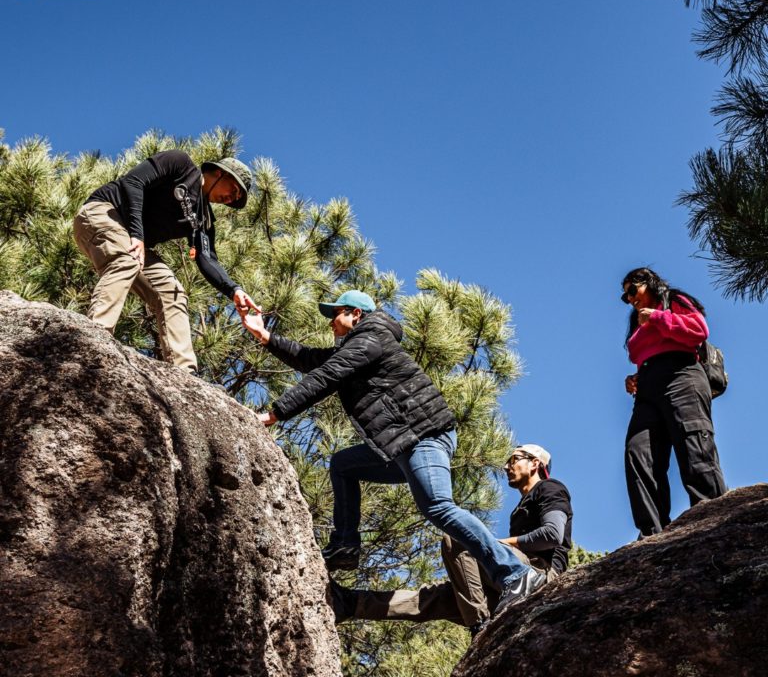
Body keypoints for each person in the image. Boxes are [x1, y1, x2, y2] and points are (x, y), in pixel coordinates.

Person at [241, 290, 545, 607]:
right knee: (344, 464)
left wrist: (273, 414)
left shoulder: (372, 336)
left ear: (355, 314)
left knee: (439, 507)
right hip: (401, 444)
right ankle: (345, 544)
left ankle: (515, 574)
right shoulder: (357, 346)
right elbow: (311, 360)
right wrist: (265, 336)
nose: (331, 322)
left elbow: (328, 374)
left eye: (336, 314)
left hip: (422, 437)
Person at [330, 444, 572, 633]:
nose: (507, 466)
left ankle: (480, 625)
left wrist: (497, 544)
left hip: (540, 575)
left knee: (459, 539)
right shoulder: (521, 505)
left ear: (535, 463)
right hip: (509, 582)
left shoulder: (550, 488)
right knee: (431, 600)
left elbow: (552, 535)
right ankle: (350, 603)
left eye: (513, 460)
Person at [74, 150, 257, 373]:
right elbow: (132, 181)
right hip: (103, 213)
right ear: (220, 173)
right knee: (128, 260)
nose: (232, 199)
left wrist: (234, 290)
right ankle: (95, 336)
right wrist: (137, 234)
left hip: (133, 241)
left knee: (173, 292)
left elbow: (207, 258)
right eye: (234, 190)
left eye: (236, 198)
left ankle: (185, 373)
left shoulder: (203, 219)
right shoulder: (180, 165)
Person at [621, 267, 727, 538]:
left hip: (682, 376)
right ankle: (652, 532)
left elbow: (698, 330)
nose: (630, 299)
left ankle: (713, 514)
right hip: (647, 386)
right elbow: (645, 353)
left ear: (649, 282)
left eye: (633, 290)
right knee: (638, 451)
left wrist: (657, 317)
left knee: (692, 442)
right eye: (626, 297)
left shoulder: (673, 301)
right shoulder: (636, 319)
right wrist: (634, 378)